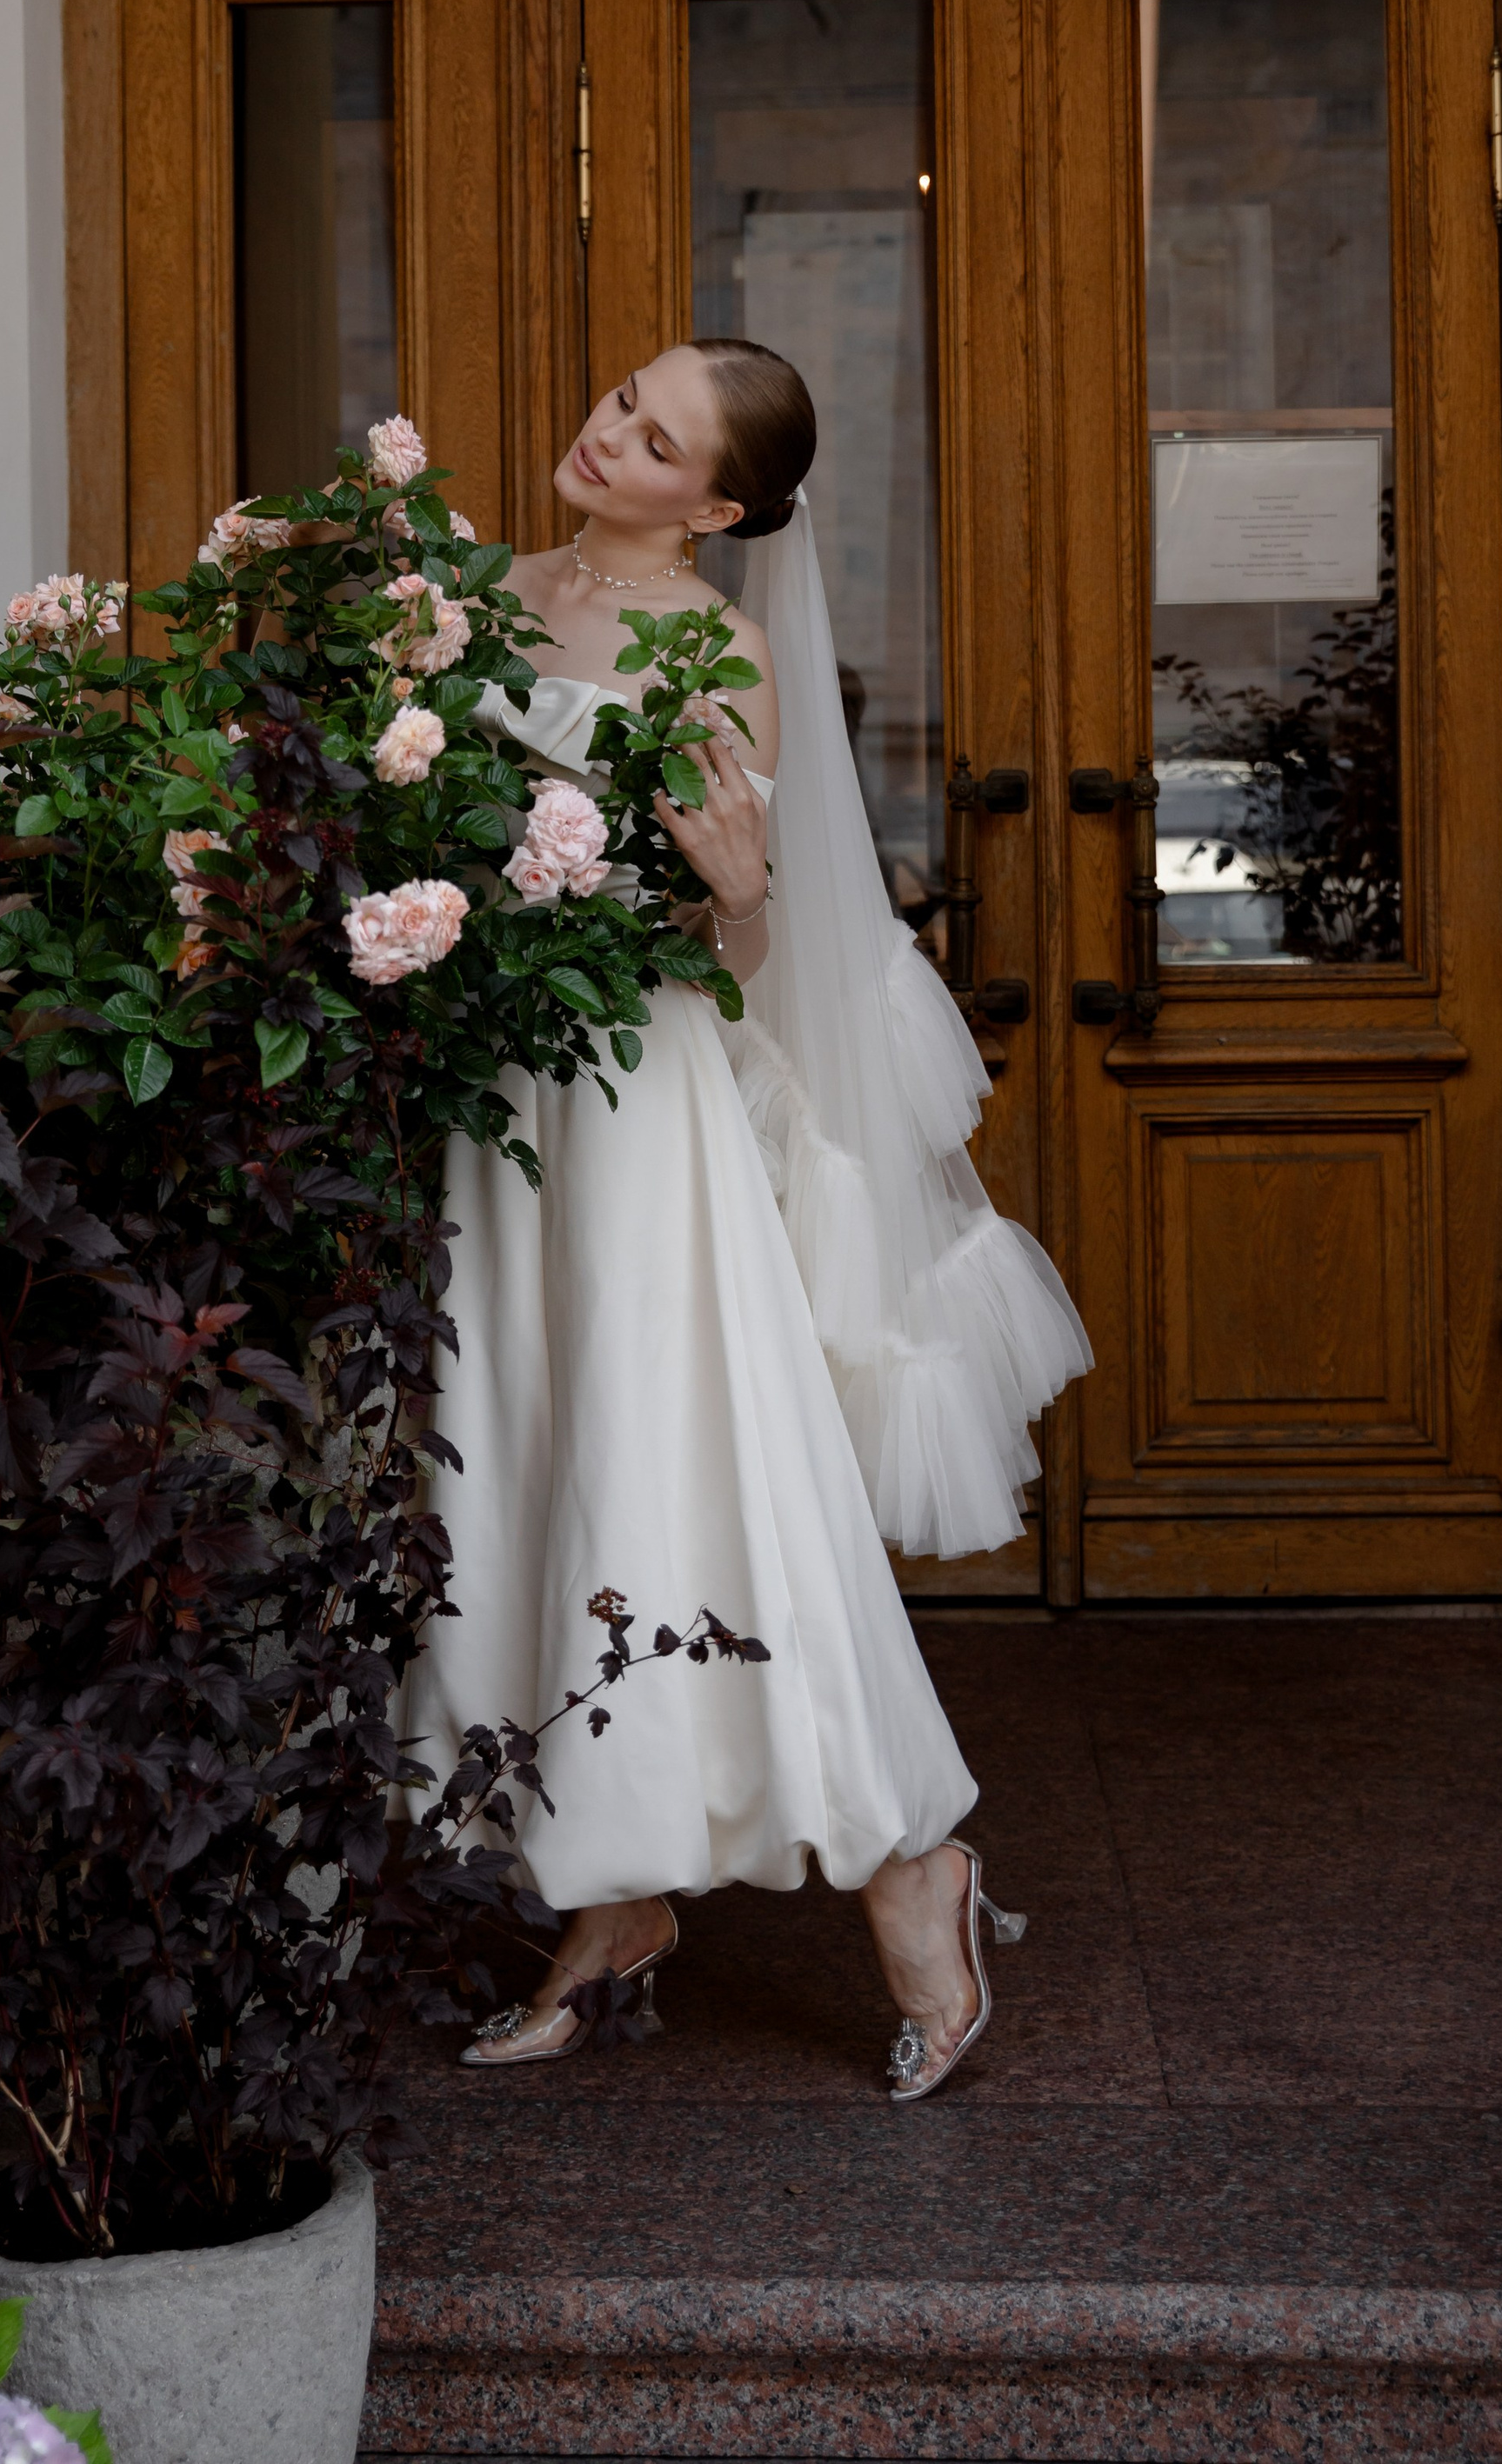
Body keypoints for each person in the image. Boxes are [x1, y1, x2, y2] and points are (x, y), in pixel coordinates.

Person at [406, 339, 1091, 2101]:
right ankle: (614, 1892)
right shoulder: (476, 594)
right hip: (494, 1110)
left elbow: (740, 950)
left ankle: (905, 1855)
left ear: (713, 506)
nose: (604, 428)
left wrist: (732, 884)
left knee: (694, 1472)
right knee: (531, 1459)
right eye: (619, 396)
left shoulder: (716, 650)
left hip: (640, 1105)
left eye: (653, 434)